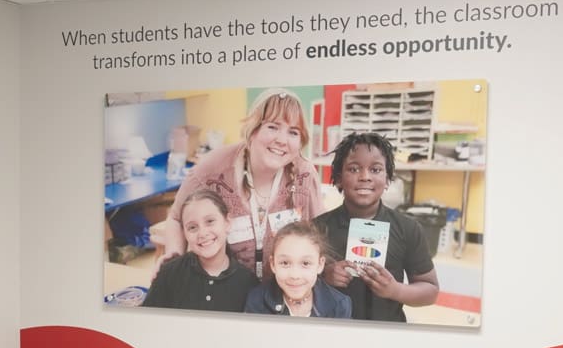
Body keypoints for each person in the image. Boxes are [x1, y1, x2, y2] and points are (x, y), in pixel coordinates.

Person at [159, 88, 324, 280]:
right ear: (252, 130)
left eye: (293, 132)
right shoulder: (212, 169)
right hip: (224, 292)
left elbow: (320, 234)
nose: (281, 140)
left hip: (284, 293)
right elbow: (176, 219)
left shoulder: (305, 175)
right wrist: (174, 259)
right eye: (272, 127)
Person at [314, 132, 439, 322]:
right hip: (332, 333)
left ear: (388, 179)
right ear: (338, 178)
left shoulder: (408, 229)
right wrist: (322, 276)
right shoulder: (317, 229)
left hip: (388, 334)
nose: (365, 177)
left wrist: (395, 290)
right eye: (354, 169)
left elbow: (430, 291)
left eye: (376, 169)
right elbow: (293, 282)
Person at [144, 189, 258, 311]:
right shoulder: (169, 272)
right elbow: (146, 320)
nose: (202, 233)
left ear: (227, 223)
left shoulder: (247, 282)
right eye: (192, 227)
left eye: (210, 221)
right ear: (185, 234)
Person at [244, 220, 351, 318]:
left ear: (320, 265)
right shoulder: (257, 300)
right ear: (273, 264)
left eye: (305, 263)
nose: (295, 275)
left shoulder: (339, 305)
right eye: (285, 263)